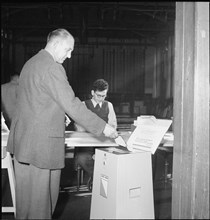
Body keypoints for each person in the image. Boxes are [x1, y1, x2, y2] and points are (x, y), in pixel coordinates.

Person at [6, 28, 118, 219]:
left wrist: (57, 114)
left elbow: (33, 101)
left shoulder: (30, 64)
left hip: (23, 143)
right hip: (41, 147)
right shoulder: (52, 67)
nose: (70, 55)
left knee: (24, 205)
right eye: (68, 49)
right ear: (56, 44)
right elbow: (72, 104)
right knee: (41, 208)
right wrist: (104, 127)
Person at [74, 79, 117, 190]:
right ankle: (97, 177)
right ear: (93, 93)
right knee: (82, 158)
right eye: (99, 95)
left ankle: (96, 178)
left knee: (111, 158)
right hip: (87, 145)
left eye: (104, 96)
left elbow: (112, 125)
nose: (101, 98)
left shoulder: (109, 106)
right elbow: (79, 127)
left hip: (103, 144)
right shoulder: (84, 105)